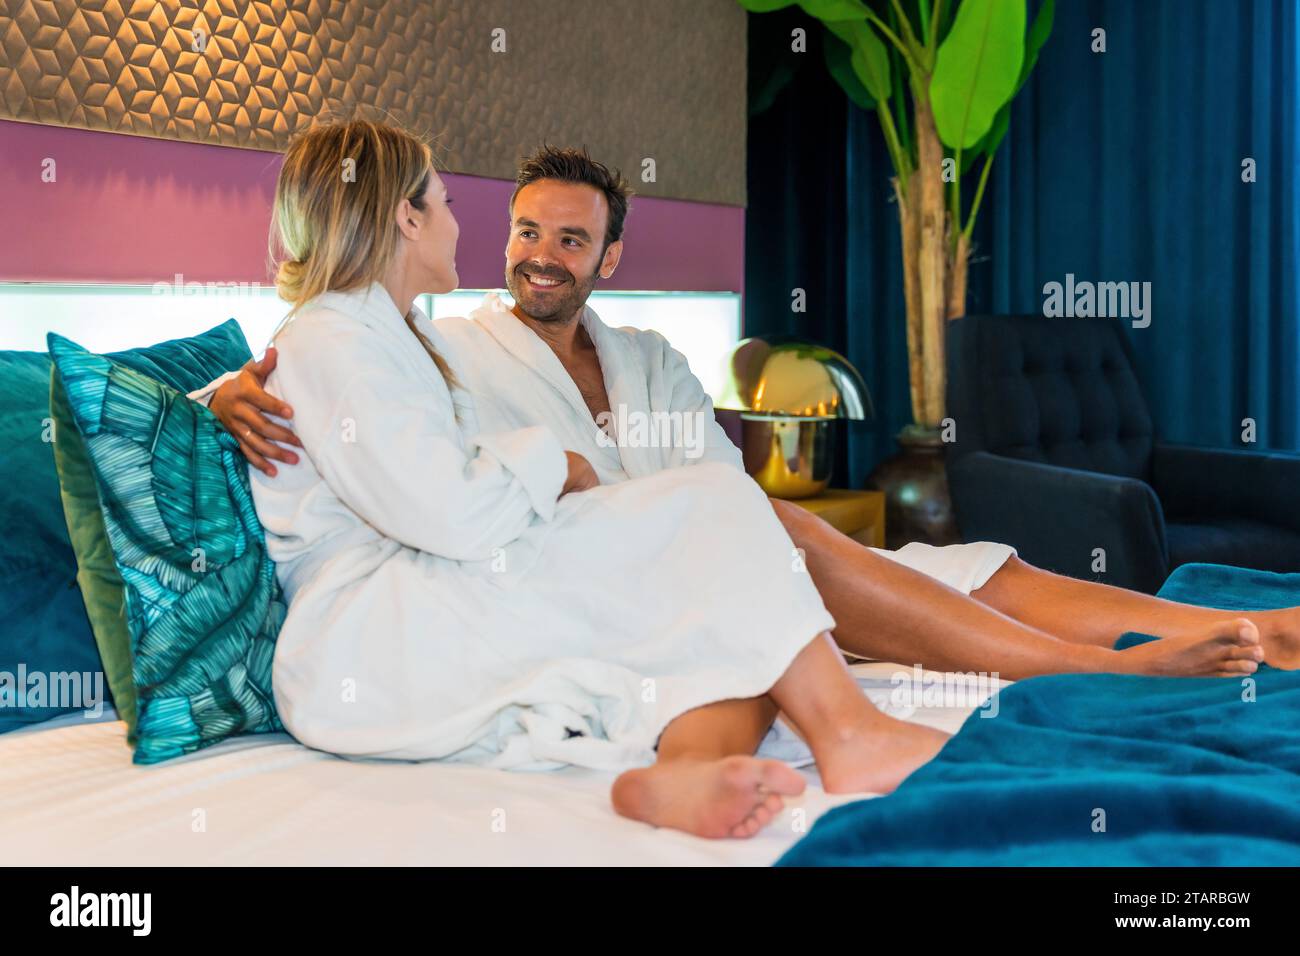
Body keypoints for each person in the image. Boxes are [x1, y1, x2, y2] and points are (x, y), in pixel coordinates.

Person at [204, 140, 1281, 701]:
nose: (538, 254)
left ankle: (1217, 630)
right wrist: (220, 394)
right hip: (591, 571)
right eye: (525, 229)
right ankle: (1097, 668)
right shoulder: (440, 346)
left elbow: (719, 478)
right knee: (805, 540)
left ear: (608, 258)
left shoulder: (653, 360)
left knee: (962, 564)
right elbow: (321, 370)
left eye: (570, 239)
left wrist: (733, 529)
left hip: (702, 538)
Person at [243, 116, 970, 841]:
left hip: (431, 594)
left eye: (571, 239)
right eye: (446, 203)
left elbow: (325, 405)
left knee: (725, 599)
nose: (459, 225)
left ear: (606, 255)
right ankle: (848, 731)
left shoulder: (387, 332)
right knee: (717, 519)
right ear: (407, 215)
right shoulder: (335, 337)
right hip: (377, 638)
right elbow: (451, 514)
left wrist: (222, 394)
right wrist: (557, 463)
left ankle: (682, 771)